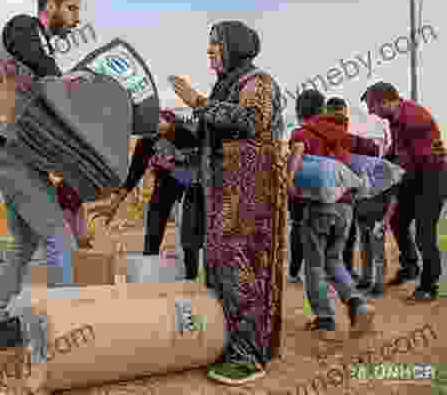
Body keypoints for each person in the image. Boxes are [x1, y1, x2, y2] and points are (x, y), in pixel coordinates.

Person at [169, 21, 287, 384]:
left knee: (243, 270)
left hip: (250, 195)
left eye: (215, 46)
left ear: (234, 47)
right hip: (224, 196)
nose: (209, 52)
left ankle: (248, 356)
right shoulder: (227, 87)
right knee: (220, 270)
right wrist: (173, 126)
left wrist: (197, 102)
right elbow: (211, 132)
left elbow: (252, 120)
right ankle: (228, 343)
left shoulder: (258, 82)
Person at [0, 0, 85, 350]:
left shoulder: (45, 48)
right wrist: (65, 85)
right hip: (5, 147)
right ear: (51, 4)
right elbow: (36, 58)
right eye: (71, 9)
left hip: (16, 151)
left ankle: (6, 323)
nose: (76, 19)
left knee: (24, 240)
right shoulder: (24, 28)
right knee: (58, 236)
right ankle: (66, 334)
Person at [288, 89, 379, 336]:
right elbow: (372, 149)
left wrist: (289, 183)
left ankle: (325, 319)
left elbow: (296, 155)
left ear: (300, 112)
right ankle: (357, 304)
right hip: (346, 207)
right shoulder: (341, 133)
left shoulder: (301, 132)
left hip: (319, 206)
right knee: (334, 259)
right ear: (322, 110)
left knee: (315, 266)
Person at [362, 81, 447, 301]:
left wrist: (392, 182)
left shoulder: (414, 118)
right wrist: (381, 163)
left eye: (372, 106)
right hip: (414, 174)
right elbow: (398, 148)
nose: (371, 111)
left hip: (432, 177)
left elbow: (420, 161)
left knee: (424, 232)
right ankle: (410, 266)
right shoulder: (395, 118)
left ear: (385, 101)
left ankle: (429, 284)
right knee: (398, 221)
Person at [95, 110, 200, 280]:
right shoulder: (146, 141)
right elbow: (133, 176)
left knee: (189, 239)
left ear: (168, 121)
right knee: (153, 227)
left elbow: (194, 177)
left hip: (190, 187)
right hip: (165, 185)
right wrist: (113, 205)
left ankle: (192, 280)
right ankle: (148, 273)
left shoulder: (185, 133)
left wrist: (169, 165)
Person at [325, 97, 359, 280]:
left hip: (332, 193)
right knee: (344, 235)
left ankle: (335, 270)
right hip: (341, 194)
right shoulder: (346, 136)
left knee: (333, 235)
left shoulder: (320, 132)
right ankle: (343, 269)